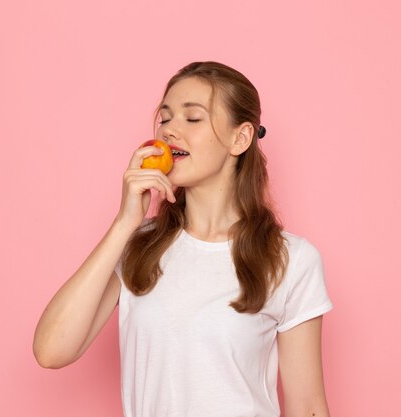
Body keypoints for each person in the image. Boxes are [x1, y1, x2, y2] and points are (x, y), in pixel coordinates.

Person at [33, 61, 334, 417]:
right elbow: (51, 351)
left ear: (240, 138)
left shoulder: (291, 259)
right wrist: (124, 223)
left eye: (192, 119)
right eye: (165, 118)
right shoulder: (136, 246)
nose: (170, 131)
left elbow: (308, 407)